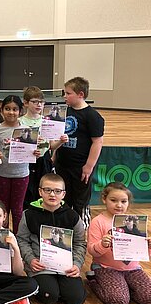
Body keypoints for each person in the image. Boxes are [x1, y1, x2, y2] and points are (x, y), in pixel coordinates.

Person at [16, 173, 87, 304]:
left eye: (57, 191)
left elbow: (80, 243)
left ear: (63, 194)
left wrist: (77, 264)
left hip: (66, 267)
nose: (52, 194)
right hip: (41, 266)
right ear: (40, 192)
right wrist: (30, 259)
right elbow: (22, 240)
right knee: (49, 296)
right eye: (48, 190)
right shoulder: (29, 215)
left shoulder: (72, 216)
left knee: (75, 299)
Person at [87, 182, 151, 304]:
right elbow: (91, 251)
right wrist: (102, 244)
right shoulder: (98, 221)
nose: (119, 205)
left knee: (149, 298)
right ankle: (93, 280)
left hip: (133, 269)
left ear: (128, 202)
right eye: (113, 200)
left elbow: (143, 254)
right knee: (118, 300)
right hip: (106, 267)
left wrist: (148, 247)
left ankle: (126, 288)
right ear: (104, 199)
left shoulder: (135, 222)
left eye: (123, 201)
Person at [56, 77, 104, 228]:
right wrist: (55, 154)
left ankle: (81, 232)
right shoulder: (64, 112)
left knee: (80, 201)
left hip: (81, 167)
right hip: (63, 164)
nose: (65, 96)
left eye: (68, 93)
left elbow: (97, 142)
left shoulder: (93, 116)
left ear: (80, 94)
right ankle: (65, 229)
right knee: (64, 198)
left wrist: (89, 166)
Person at [0, 95, 40, 234]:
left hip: (21, 175)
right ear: (2, 110)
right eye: (7, 109)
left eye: (15, 109)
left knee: (18, 209)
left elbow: (32, 153)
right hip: (2, 175)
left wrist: (35, 153)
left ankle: (18, 238)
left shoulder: (27, 130)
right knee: (3, 209)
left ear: (20, 111)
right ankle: (3, 237)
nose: (11, 112)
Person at [20, 86, 68, 210]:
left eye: (41, 102)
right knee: (28, 193)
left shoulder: (47, 121)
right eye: (35, 101)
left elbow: (51, 146)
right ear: (26, 103)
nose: (39, 105)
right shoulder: (20, 122)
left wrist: (61, 141)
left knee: (43, 191)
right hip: (27, 163)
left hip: (44, 161)